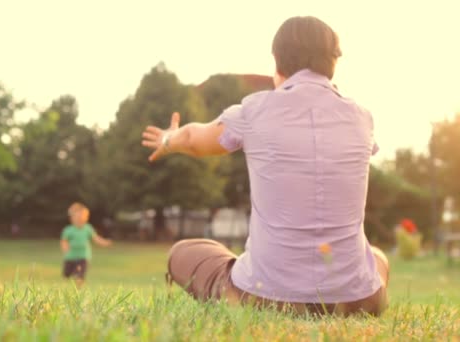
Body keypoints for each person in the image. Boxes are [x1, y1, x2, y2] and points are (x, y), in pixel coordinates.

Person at [141, 16, 389, 316]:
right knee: (378, 258)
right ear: (332, 61)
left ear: (277, 60)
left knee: (183, 252)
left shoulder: (255, 110)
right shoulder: (362, 117)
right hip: (359, 300)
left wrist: (168, 139)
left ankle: (250, 287)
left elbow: (194, 139)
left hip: (266, 297)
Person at [61, 202, 112, 286]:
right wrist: (65, 248)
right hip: (70, 257)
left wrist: (105, 242)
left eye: (84, 216)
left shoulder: (88, 228)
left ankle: (78, 289)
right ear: (72, 218)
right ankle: (68, 287)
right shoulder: (68, 230)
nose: (81, 218)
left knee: (79, 275)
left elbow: (96, 238)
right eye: (78, 216)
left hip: (83, 257)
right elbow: (64, 240)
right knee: (67, 275)